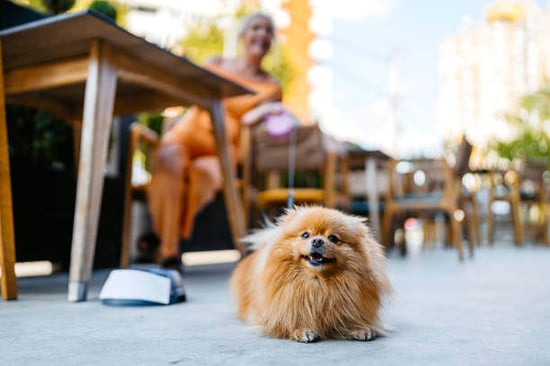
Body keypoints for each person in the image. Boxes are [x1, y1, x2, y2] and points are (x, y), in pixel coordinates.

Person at [142, 11, 285, 271]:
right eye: (256, 27)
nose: (262, 34)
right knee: (169, 162)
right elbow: (187, 89)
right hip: (186, 135)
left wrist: (263, 112)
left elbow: (250, 122)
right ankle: (169, 249)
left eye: (267, 31)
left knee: (202, 176)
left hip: (221, 149)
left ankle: (162, 237)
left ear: (271, 41)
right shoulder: (216, 63)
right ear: (243, 35)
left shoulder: (272, 87)